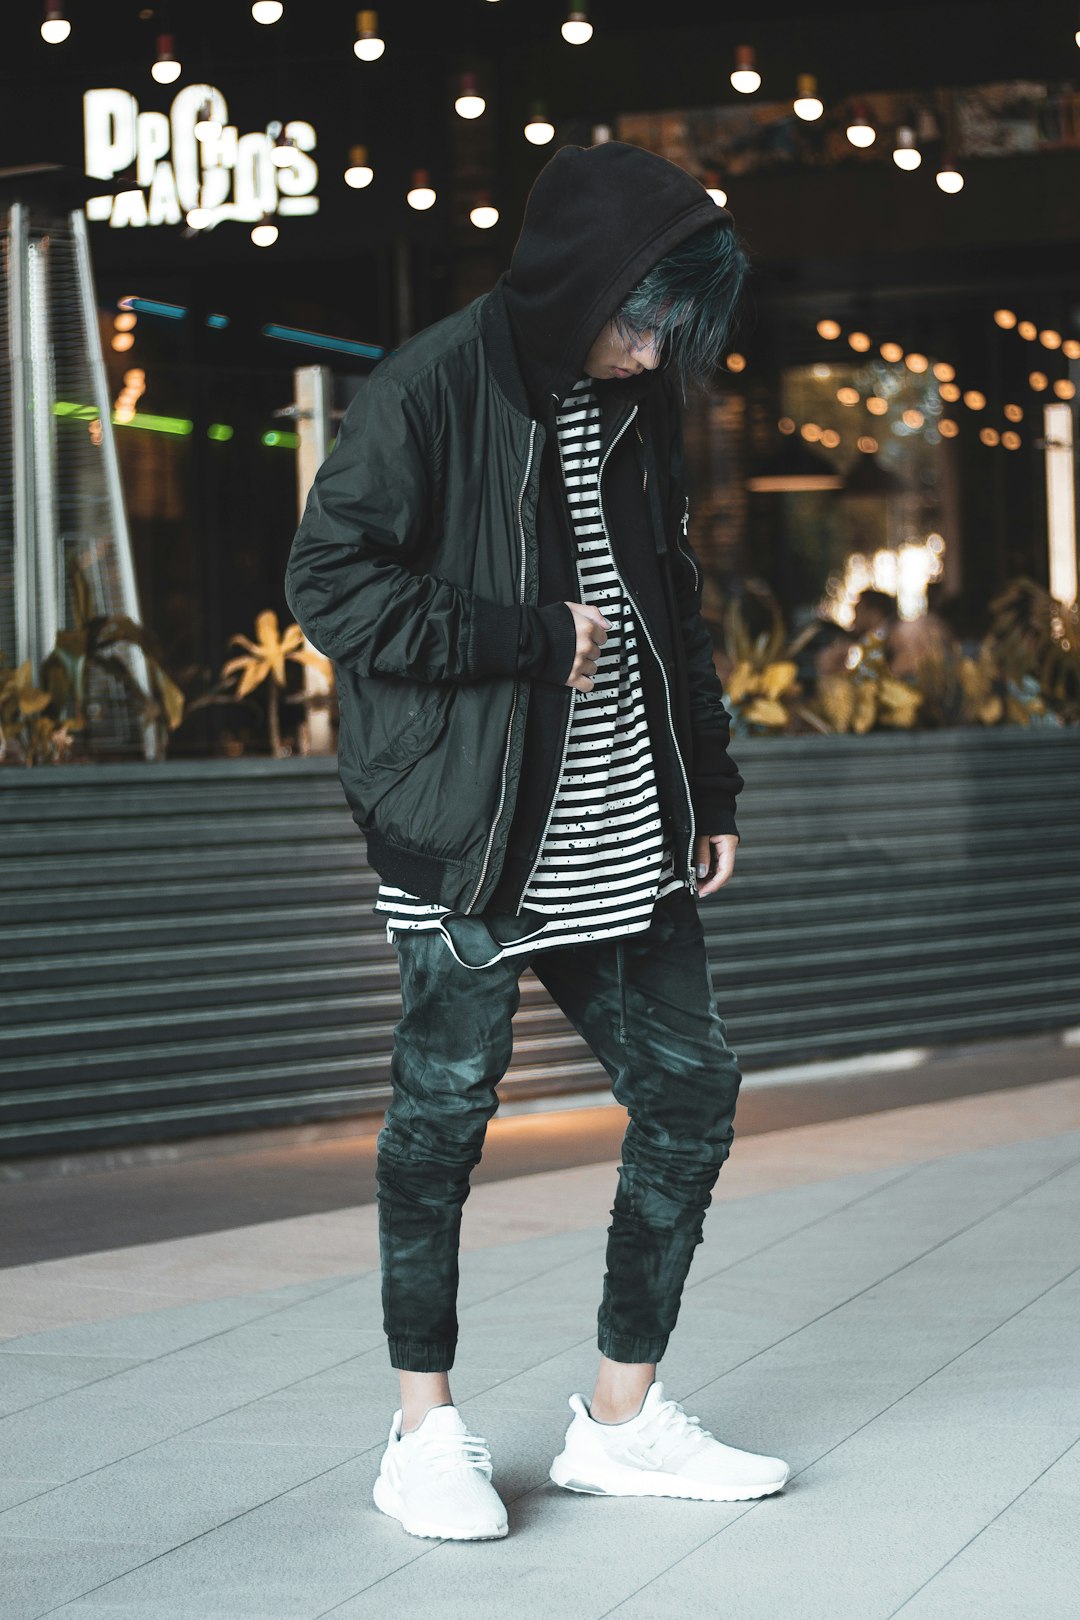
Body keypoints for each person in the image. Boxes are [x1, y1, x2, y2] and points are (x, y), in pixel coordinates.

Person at [285, 139, 790, 1543]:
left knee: (691, 1096)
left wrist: (714, 788)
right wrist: (522, 638)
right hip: (476, 834)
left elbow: (669, 596)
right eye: (645, 318)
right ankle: (422, 1432)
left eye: (673, 329)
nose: (654, 351)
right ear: (586, 281)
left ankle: (620, 1423)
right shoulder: (429, 389)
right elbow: (330, 586)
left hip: (628, 823)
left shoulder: (640, 406)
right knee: (441, 1127)